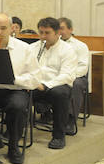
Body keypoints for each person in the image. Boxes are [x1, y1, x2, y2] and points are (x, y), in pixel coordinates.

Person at [0, 13, 40, 164]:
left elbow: (35, 78)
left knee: (17, 107)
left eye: (3, 28)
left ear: (11, 28)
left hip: (15, 89)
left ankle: (13, 146)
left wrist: (12, 78)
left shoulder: (24, 49)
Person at [29, 17, 77, 150]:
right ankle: (13, 131)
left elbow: (67, 75)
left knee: (60, 94)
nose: (43, 36)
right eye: (41, 32)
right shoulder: (32, 48)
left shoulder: (67, 50)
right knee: (18, 93)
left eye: (47, 33)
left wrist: (46, 85)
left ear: (57, 33)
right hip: (36, 84)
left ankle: (58, 136)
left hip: (56, 86)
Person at [58, 17, 89, 129]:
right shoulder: (54, 45)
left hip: (76, 76)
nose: (59, 32)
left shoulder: (80, 46)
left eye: (62, 28)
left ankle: (71, 119)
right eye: (58, 29)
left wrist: (68, 76)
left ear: (70, 29)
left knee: (76, 84)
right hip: (58, 75)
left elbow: (83, 67)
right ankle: (45, 112)